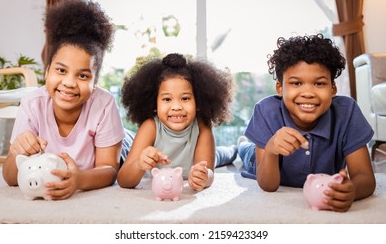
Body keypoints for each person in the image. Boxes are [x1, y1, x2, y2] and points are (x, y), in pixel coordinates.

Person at [2, 0, 125, 200]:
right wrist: (16, 152)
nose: (69, 82)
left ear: (95, 83)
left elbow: (110, 170)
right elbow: (9, 178)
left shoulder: (104, 104)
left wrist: (80, 180)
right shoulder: (32, 104)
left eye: (83, 75)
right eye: (61, 70)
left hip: (118, 145)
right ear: (47, 70)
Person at [238, 34, 376, 212]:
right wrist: (271, 151)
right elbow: (268, 186)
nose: (308, 93)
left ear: (333, 88)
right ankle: (241, 145)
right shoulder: (266, 111)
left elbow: (365, 177)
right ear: (280, 88)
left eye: (319, 84)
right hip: (261, 159)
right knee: (246, 153)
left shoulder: (346, 111)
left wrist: (352, 190)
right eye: (296, 83)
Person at [117, 53, 236, 191]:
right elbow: (123, 180)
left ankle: (235, 149)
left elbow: (209, 173)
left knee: (223, 155)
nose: (176, 107)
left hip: (209, 155)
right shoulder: (150, 127)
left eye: (185, 98)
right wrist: (139, 164)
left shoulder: (202, 125)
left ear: (198, 102)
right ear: (154, 104)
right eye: (167, 99)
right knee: (220, 155)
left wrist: (204, 176)